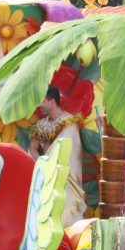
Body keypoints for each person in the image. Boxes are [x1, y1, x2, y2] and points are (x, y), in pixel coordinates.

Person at [29, 87, 87, 225]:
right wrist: (44, 164)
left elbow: (73, 156)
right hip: (48, 177)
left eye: (42, 101)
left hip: (68, 177)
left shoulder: (70, 123)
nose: (39, 106)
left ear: (52, 101)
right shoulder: (41, 125)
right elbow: (32, 148)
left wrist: (58, 168)